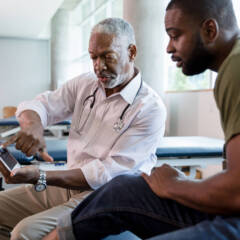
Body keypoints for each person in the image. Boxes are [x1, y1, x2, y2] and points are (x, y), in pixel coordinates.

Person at [44, 0, 240, 239]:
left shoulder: (235, 69)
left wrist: (175, 186)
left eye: (175, 35)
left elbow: (235, 193)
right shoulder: (231, 67)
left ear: (210, 30)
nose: (168, 48)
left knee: (124, 189)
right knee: (123, 189)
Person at [0, 18, 166, 240]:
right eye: (93, 57)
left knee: (25, 232)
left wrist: (41, 175)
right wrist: (33, 124)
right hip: (68, 186)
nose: (99, 66)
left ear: (132, 51)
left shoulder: (149, 108)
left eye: (108, 56)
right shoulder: (86, 85)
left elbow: (107, 175)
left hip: (106, 197)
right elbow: (42, 104)